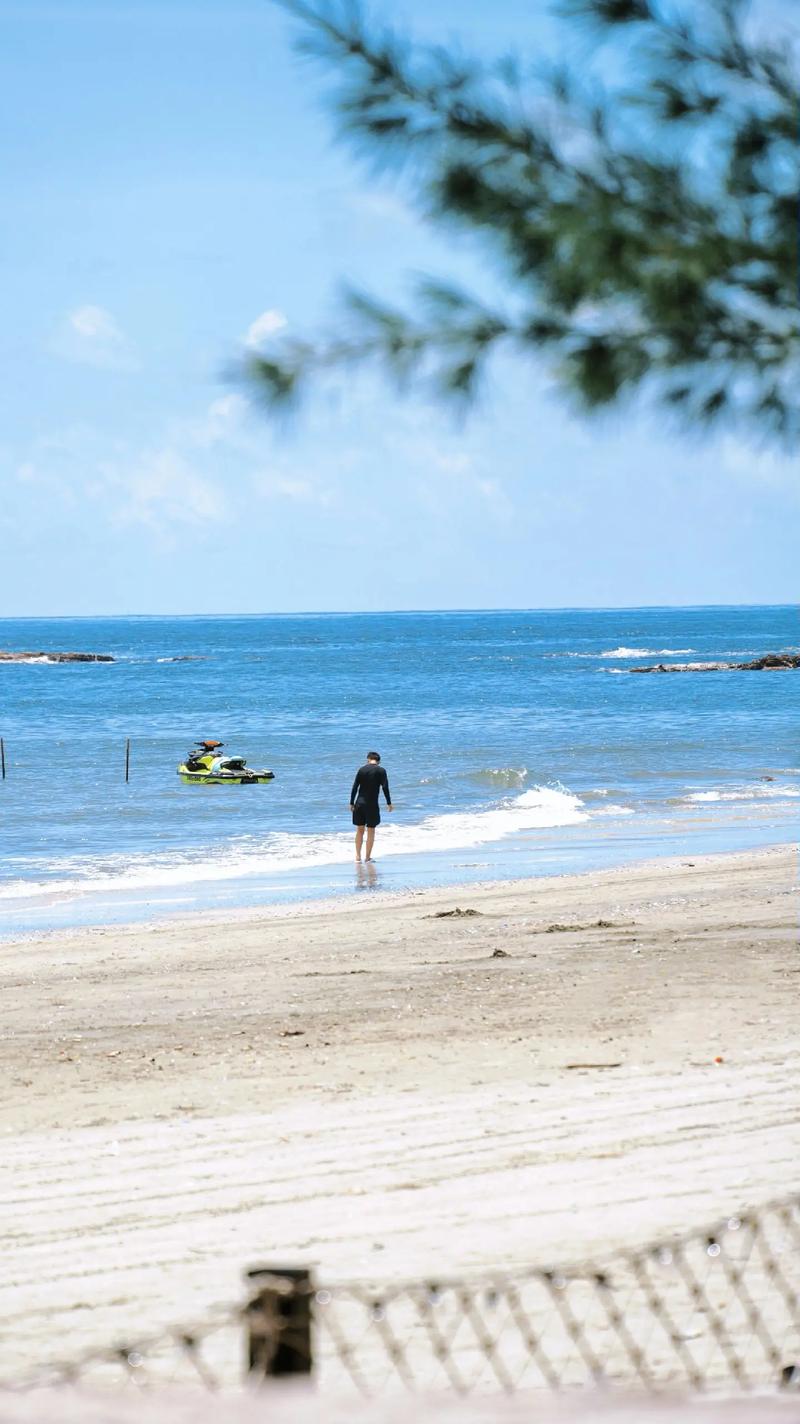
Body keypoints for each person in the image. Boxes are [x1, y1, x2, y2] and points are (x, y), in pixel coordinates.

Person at [350, 751, 392, 862]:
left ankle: (357, 857)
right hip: (372, 805)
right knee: (371, 830)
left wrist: (351, 803)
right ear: (378, 761)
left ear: (368, 759)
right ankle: (367, 857)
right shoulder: (381, 771)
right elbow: (385, 787)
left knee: (359, 830)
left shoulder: (361, 769)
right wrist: (389, 803)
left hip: (359, 803)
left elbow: (355, 787)